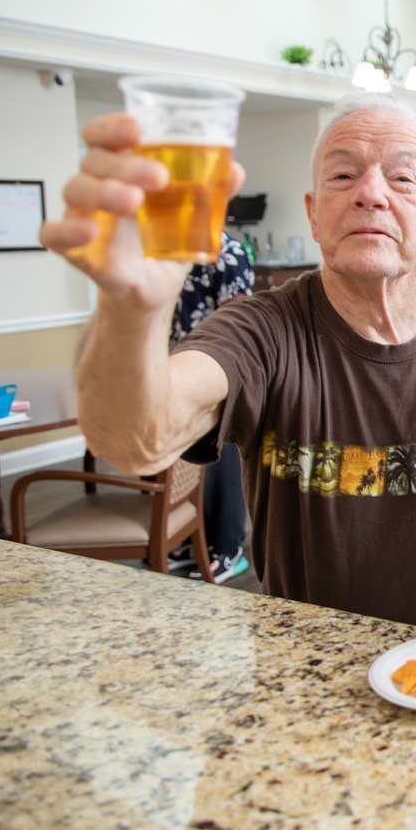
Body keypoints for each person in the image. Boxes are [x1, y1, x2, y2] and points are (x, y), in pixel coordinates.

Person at [40, 91, 416, 637]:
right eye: (343, 175)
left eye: (402, 177)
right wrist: (131, 307)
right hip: (309, 650)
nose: (371, 193)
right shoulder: (262, 330)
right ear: (315, 213)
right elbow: (137, 439)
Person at [164, 229, 254, 584]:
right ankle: (188, 539)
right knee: (185, 461)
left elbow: (240, 316)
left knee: (220, 461)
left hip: (215, 369)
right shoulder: (171, 250)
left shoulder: (229, 251)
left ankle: (228, 547)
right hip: (177, 362)